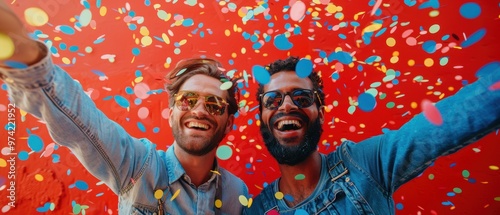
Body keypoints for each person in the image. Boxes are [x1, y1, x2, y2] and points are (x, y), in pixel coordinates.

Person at [0, 2, 248, 214]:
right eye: (188, 99)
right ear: (172, 113)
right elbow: (84, 126)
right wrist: (25, 59)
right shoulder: (138, 165)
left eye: (215, 104)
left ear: (228, 122)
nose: (200, 110)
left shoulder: (238, 194)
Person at [243, 56, 500, 214]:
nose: (287, 106)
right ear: (262, 118)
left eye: (301, 98)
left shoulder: (364, 164)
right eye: (273, 100)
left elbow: (447, 122)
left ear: (320, 114)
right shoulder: (257, 211)